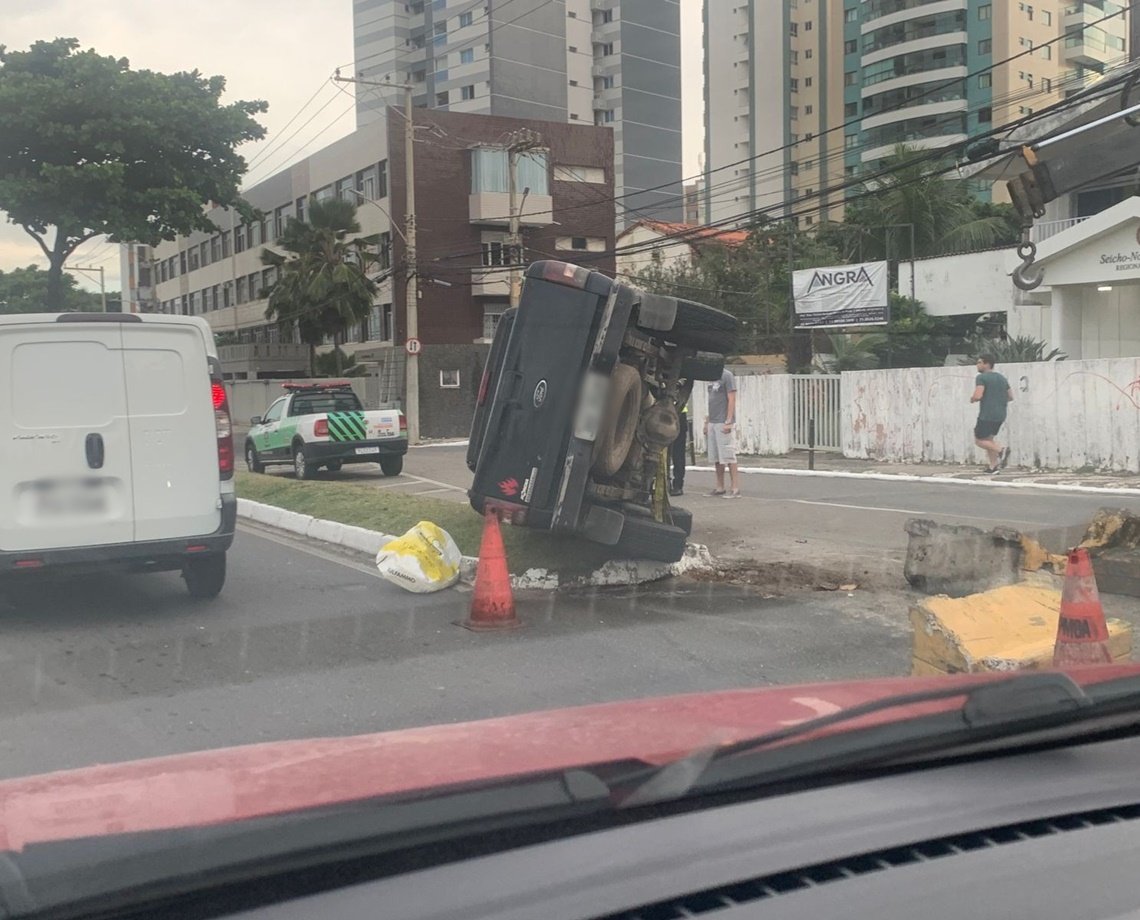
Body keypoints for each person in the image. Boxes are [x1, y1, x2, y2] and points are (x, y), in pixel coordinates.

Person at [971, 354, 1014, 474]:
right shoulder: (1001, 378)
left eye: (979, 362)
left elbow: (978, 395)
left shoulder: (981, 377)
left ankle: (1001, 450)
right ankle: (993, 467)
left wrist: (973, 398)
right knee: (989, 440)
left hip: (987, 414)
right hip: (1000, 414)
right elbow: (1010, 396)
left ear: (986, 364)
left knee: (979, 440)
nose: (977, 365)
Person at [707, 368, 740, 498]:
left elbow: (731, 398)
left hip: (723, 420)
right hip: (713, 420)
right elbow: (711, 400)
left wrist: (729, 420)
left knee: (728, 455)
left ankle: (735, 488)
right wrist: (707, 422)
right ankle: (720, 486)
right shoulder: (711, 376)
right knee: (716, 457)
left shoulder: (727, 375)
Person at [669, 399, 688, 496]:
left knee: (678, 453)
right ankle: (665, 482)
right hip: (661, 411)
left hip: (679, 413)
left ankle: (678, 485)